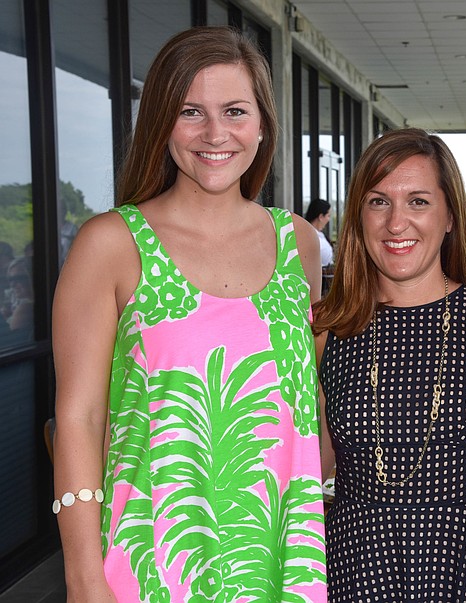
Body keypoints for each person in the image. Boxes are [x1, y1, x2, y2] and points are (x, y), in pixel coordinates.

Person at [52, 27, 327, 602]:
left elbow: (306, 402)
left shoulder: (296, 243)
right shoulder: (111, 243)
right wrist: (83, 580)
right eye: (190, 112)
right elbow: (77, 419)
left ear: (262, 124)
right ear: (161, 122)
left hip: (279, 564)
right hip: (150, 565)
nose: (215, 134)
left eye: (234, 111)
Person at [312, 128, 466, 601]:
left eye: (418, 201)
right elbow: (305, 469)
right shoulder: (325, 329)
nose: (396, 223)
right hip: (353, 573)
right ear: (359, 216)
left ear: (449, 216)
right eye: (379, 202)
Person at [306, 198, 334, 267]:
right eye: (328, 216)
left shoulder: (320, 235)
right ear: (321, 217)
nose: (329, 219)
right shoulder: (308, 237)